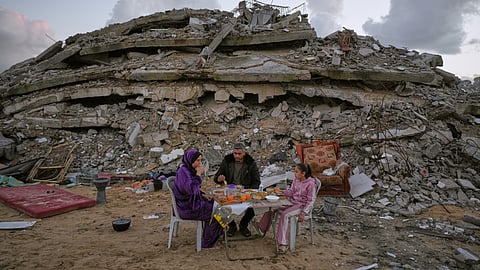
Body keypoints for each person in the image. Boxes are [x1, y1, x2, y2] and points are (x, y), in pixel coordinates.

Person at [258, 163, 317, 253]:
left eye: (296, 172)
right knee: (272, 207)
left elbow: (311, 201)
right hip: (292, 202)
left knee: (285, 215)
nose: (294, 173)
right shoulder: (296, 180)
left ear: (303, 173)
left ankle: (283, 244)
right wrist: (280, 192)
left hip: (301, 207)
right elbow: (291, 192)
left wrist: (304, 213)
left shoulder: (311, 184)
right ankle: (262, 228)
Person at [174, 149, 223, 249]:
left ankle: (212, 236)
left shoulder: (189, 170)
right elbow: (192, 190)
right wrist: (198, 174)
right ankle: (207, 243)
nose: (199, 163)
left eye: (200, 161)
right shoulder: (183, 172)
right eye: (197, 161)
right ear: (190, 160)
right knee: (217, 212)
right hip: (187, 207)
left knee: (216, 205)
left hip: (191, 203)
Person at [213, 142, 261, 237]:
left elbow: (256, 181)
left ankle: (244, 225)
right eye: (235, 153)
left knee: (255, 205)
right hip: (230, 190)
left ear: (244, 153)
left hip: (245, 190)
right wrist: (219, 179)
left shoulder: (250, 163)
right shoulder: (227, 161)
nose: (236, 156)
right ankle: (232, 225)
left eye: (239, 154)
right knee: (218, 205)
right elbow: (217, 177)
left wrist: (248, 190)